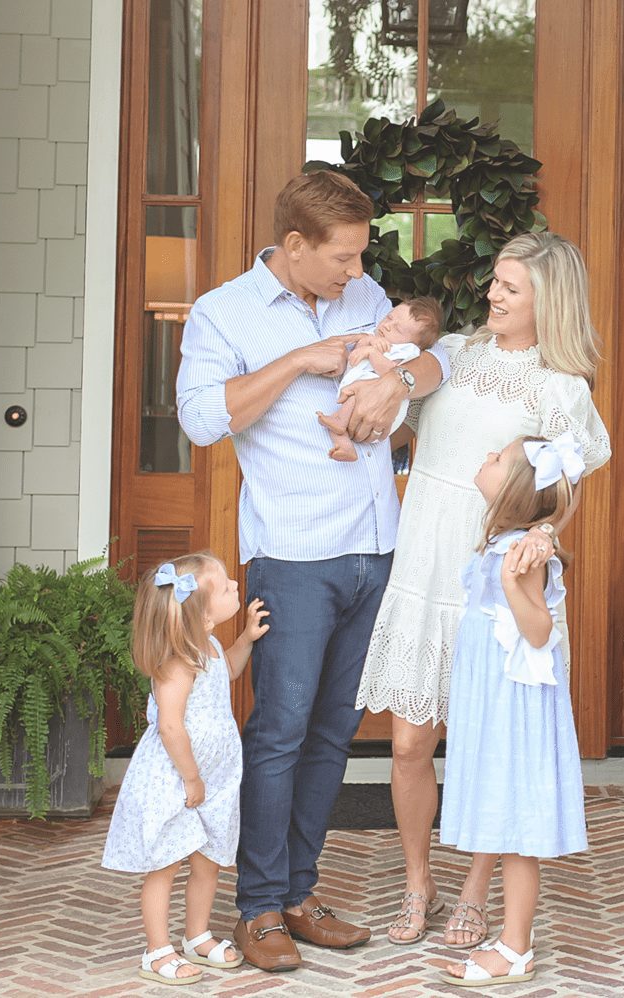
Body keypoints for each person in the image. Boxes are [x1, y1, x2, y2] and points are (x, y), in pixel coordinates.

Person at [175, 170, 451, 972]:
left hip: (377, 552)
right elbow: (200, 420)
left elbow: (435, 367)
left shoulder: (366, 301)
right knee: (279, 733)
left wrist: (401, 376)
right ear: (293, 246)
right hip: (293, 557)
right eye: (342, 257)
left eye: (362, 256)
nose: (358, 273)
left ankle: (298, 892)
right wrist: (298, 359)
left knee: (332, 735)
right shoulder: (222, 313)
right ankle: (256, 908)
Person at [356, 231, 610, 948]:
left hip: (486, 577)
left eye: (511, 288)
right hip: (422, 562)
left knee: (484, 744)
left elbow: (563, 489)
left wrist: (545, 537)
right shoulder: (457, 353)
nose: (494, 295)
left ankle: (474, 890)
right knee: (409, 744)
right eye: (495, 283)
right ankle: (418, 882)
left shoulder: (560, 387)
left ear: (547, 301)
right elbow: (401, 426)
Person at [437, 435, 588, 987]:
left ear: (518, 493)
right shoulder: (508, 540)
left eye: (496, 460)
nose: (485, 458)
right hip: (494, 695)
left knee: (519, 824)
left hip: (514, 700)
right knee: (505, 814)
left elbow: (540, 630)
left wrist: (509, 580)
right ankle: (512, 943)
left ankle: (515, 947)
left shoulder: (520, 555)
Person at [101, 552, 268, 985]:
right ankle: (156, 951)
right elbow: (171, 726)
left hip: (212, 778)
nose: (236, 586)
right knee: (166, 865)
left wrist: (247, 639)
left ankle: (197, 935)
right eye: (227, 585)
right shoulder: (176, 662)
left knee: (208, 860)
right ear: (204, 613)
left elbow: (227, 668)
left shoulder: (208, 646)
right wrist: (191, 777)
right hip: (178, 778)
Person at [318, 296, 442, 461]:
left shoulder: (406, 350)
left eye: (397, 330)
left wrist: (372, 353)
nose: (387, 326)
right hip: (354, 393)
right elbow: (355, 355)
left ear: (415, 343)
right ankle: (345, 448)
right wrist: (366, 342)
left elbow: (391, 373)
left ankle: (340, 421)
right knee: (340, 424)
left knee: (358, 399)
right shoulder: (376, 336)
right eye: (389, 317)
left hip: (377, 408)